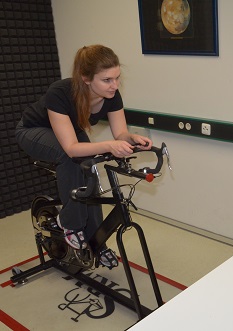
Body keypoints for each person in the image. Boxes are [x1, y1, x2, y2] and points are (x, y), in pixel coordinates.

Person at [15, 44, 152, 268]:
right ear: (86, 78)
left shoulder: (111, 96)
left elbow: (120, 133)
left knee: (90, 172)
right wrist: (108, 145)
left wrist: (132, 138)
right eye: (107, 80)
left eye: (117, 78)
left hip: (67, 129)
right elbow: (70, 148)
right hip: (33, 131)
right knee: (71, 158)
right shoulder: (60, 92)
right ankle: (69, 223)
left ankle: (96, 242)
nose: (114, 85)